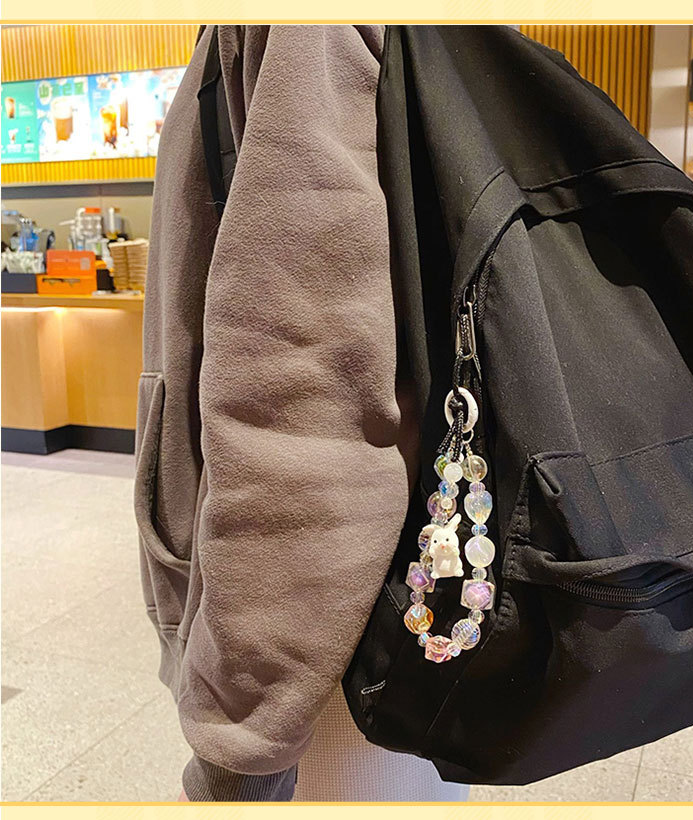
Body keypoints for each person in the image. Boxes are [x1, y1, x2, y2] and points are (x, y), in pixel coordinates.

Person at [137, 23, 469, 802]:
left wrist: (242, 747)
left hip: (333, 648)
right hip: (401, 578)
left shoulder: (298, 26)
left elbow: (302, 402)